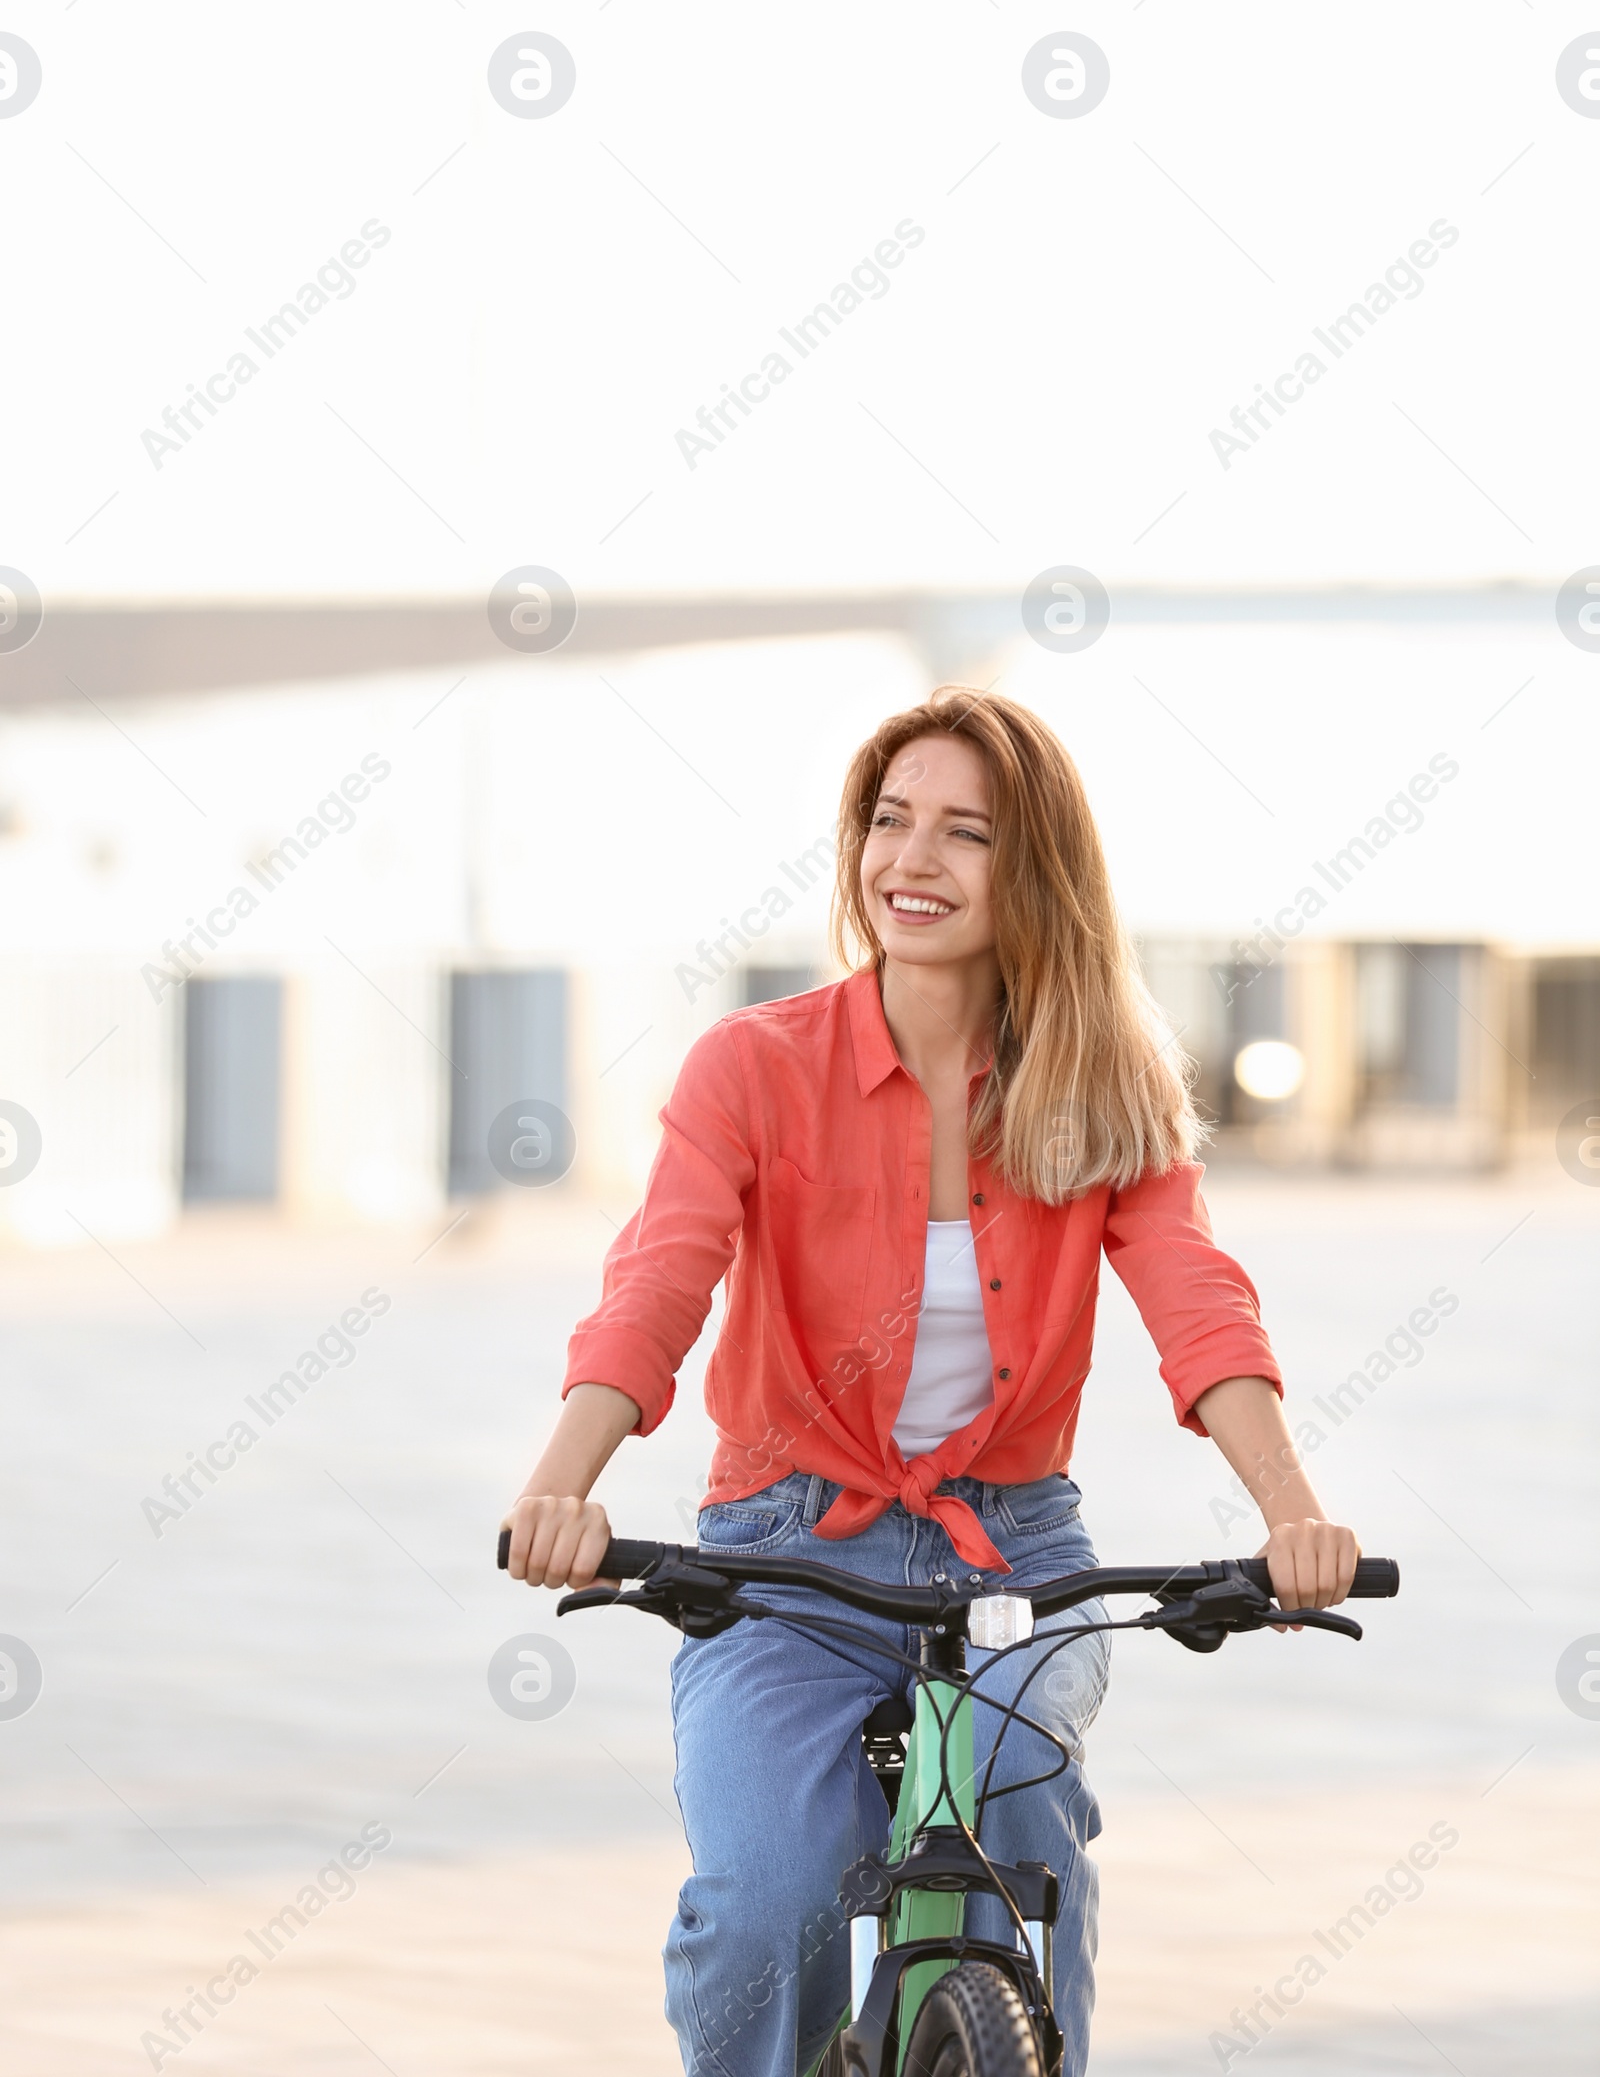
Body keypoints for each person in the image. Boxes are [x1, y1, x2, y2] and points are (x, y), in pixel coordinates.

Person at [502, 689, 1359, 2077]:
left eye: (966, 833)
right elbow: (661, 1278)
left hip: (1015, 1546)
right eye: (890, 822)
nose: (915, 860)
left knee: (1024, 1815)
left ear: (1035, 872)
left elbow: (1195, 1296)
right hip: (789, 1556)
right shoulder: (755, 1067)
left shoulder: (1107, 1085)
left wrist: (1292, 1513)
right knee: (768, 1907)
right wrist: (560, 1489)